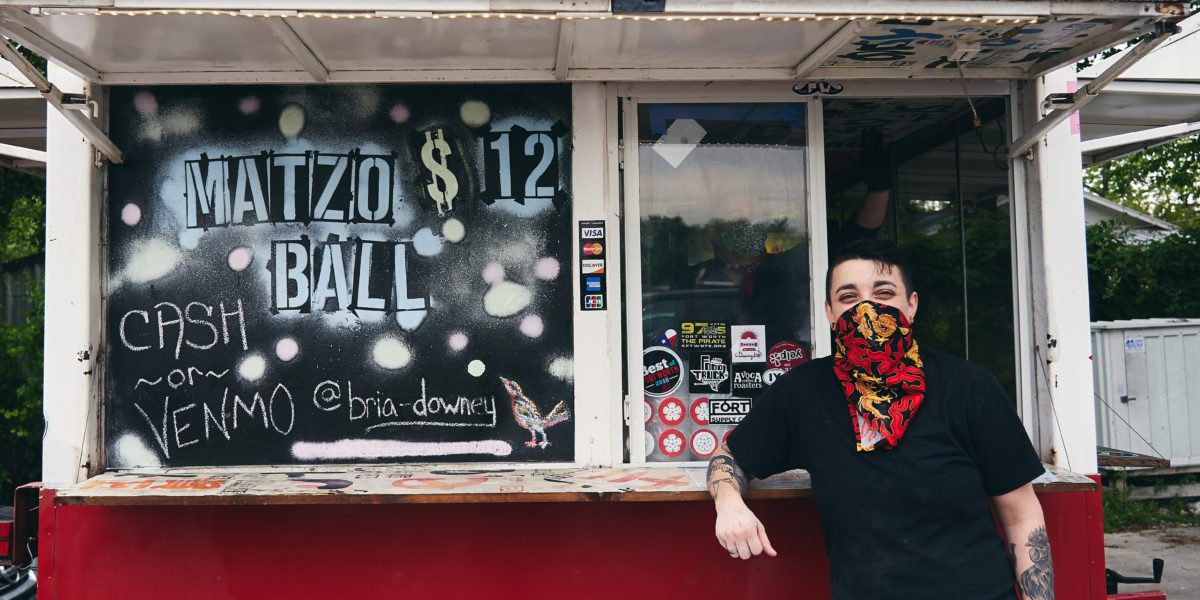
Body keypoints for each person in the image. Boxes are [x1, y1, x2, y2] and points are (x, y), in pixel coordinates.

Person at [706, 240, 1053, 600]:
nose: (867, 309)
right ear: (829, 313)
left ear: (912, 305)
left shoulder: (969, 387)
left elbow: (1022, 516)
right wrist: (729, 503)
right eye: (848, 297)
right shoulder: (803, 392)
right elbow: (730, 456)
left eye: (884, 293)